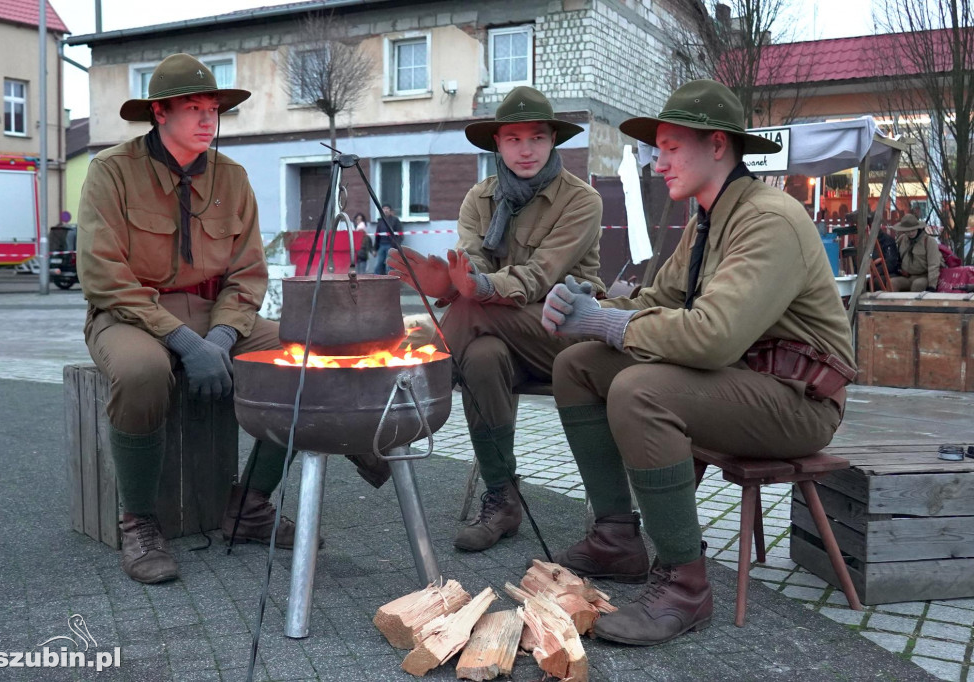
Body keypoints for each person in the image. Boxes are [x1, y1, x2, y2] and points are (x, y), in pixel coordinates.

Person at [540, 79, 856, 646]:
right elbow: (657, 302)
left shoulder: (769, 219)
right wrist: (589, 306)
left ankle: (686, 586)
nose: (659, 163)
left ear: (716, 146)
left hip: (797, 402)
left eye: (670, 147)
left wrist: (606, 322)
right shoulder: (706, 221)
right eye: (657, 149)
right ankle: (616, 537)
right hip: (742, 383)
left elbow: (712, 338)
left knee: (641, 389)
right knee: (578, 366)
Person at [77, 53, 297, 584]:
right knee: (142, 373)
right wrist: (183, 341)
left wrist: (219, 336)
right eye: (193, 108)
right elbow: (103, 274)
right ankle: (140, 522)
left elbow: (247, 273)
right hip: (128, 313)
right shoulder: (111, 171)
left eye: (213, 109)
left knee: (299, 361)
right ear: (159, 113)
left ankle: (248, 506)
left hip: (216, 313)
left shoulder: (233, 177)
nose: (207, 119)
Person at [388, 86, 605, 552]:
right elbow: (473, 269)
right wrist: (445, 284)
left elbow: (540, 274)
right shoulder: (479, 198)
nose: (525, 149)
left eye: (536, 138)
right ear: (497, 144)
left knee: (467, 310)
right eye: (512, 139)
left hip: (566, 336)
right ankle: (502, 498)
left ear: (552, 142)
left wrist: (468, 290)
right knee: (482, 358)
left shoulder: (581, 200)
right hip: (497, 335)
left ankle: (389, 425)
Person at [889, 214, 941, 292]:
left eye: (913, 230)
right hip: (906, 276)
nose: (910, 233)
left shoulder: (929, 241)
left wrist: (932, 286)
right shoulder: (902, 240)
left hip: (923, 277)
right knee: (892, 283)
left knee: (917, 284)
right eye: (907, 231)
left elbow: (934, 265)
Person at [372, 204, 399, 274]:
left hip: (390, 245)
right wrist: (375, 249)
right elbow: (377, 236)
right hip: (381, 245)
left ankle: (390, 280)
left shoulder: (395, 220)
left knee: (389, 265)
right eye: (384, 209)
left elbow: (399, 234)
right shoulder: (380, 221)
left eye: (387, 209)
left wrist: (396, 245)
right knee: (378, 264)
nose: (386, 210)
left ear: (390, 210)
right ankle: (375, 280)